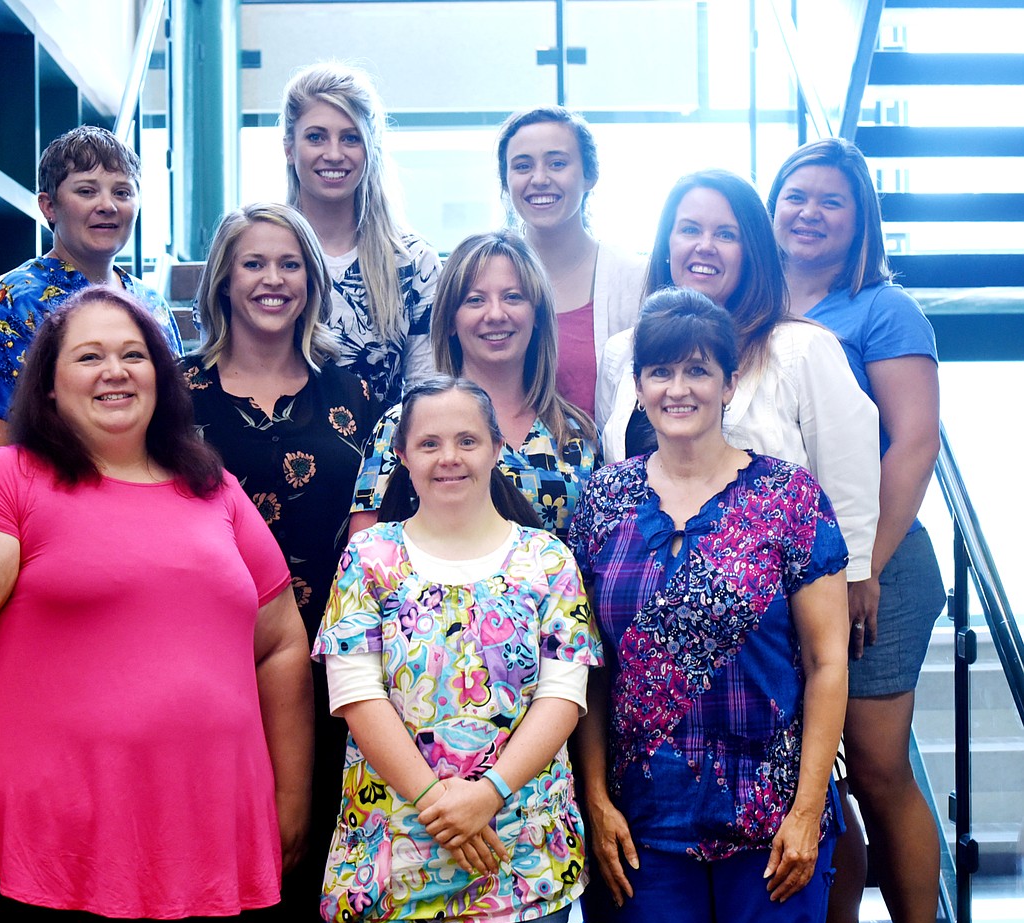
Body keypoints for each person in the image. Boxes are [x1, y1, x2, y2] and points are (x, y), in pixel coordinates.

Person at [0, 286, 312, 923]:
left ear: (161, 376)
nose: (114, 370)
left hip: (206, 840)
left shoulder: (215, 490)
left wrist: (290, 797)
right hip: (47, 846)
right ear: (50, 387)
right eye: (89, 356)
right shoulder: (1, 482)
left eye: (132, 354)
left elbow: (283, 643)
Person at [568, 287, 850, 923]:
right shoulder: (603, 501)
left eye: (697, 370)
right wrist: (597, 800)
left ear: (729, 383)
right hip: (645, 824)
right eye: (661, 371)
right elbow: (588, 667)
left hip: (773, 822)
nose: (678, 388)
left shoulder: (789, 497)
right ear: (638, 386)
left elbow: (829, 662)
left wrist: (808, 810)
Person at [315, 376, 601, 923]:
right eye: (429, 444)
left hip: (521, 849)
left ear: (498, 450)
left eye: (468, 441)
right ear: (400, 456)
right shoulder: (368, 558)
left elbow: (563, 697)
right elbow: (354, 695)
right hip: (396, 848)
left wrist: (489, 793)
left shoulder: (548, 559)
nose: (449, 458)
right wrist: (438, 805)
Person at [180, 201, 383, 923]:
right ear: (224, 279)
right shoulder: (173, 392)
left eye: (290, 263)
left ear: (313, 281)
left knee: (303, 902)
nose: (273, 279)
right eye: (254, 263)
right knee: (203, 901)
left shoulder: (358, 393)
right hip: (208, 673)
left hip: (335, 676)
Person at [768, 138, 945, 923]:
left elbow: (911, 445)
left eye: (831, 201)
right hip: (783, 571)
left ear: (860, 218)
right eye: (796, 196)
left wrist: (865, 562)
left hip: (880, 566)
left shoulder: (882, 309)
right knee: (809, 778)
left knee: (874, 768)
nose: (809, 212)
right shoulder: (751, 304)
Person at [595, 169, 879, 590]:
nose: (704, 247)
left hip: (775, 606)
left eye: (726, 234)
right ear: (667, 246)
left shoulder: (802, 348)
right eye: (689, 229)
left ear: (753, 252)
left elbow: (847, 483)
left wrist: (853, 581)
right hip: (642, 603)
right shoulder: (623, 351)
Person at [0, 125, 180, 461]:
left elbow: (174, 424)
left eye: (123, 193)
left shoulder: (152, 306)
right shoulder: (1, 305)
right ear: (48, 206)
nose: (107, 206)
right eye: (87, 191)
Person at [350, 230, 596, 542]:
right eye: (475, 300)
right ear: (450, 320)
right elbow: (364, 563)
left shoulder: (577, 435)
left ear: (537, 314)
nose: (495, 314)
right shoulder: (402, 424)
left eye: (513, 297)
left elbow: (594, 568)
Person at [281, 61, 440, 404]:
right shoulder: (258, 258)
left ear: (371, 149)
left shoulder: (414, 262)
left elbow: (426, 395)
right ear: (290, 149)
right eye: (316, 137)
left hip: (384, 453)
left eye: (350, 138)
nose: (334, 154)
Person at [496, 107, 645, 420]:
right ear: (506, 183)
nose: (539, 179)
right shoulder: (483, 279)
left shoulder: (634, 280)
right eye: (522, 166)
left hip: (609, 466)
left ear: (589, 175)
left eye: (557, 163)